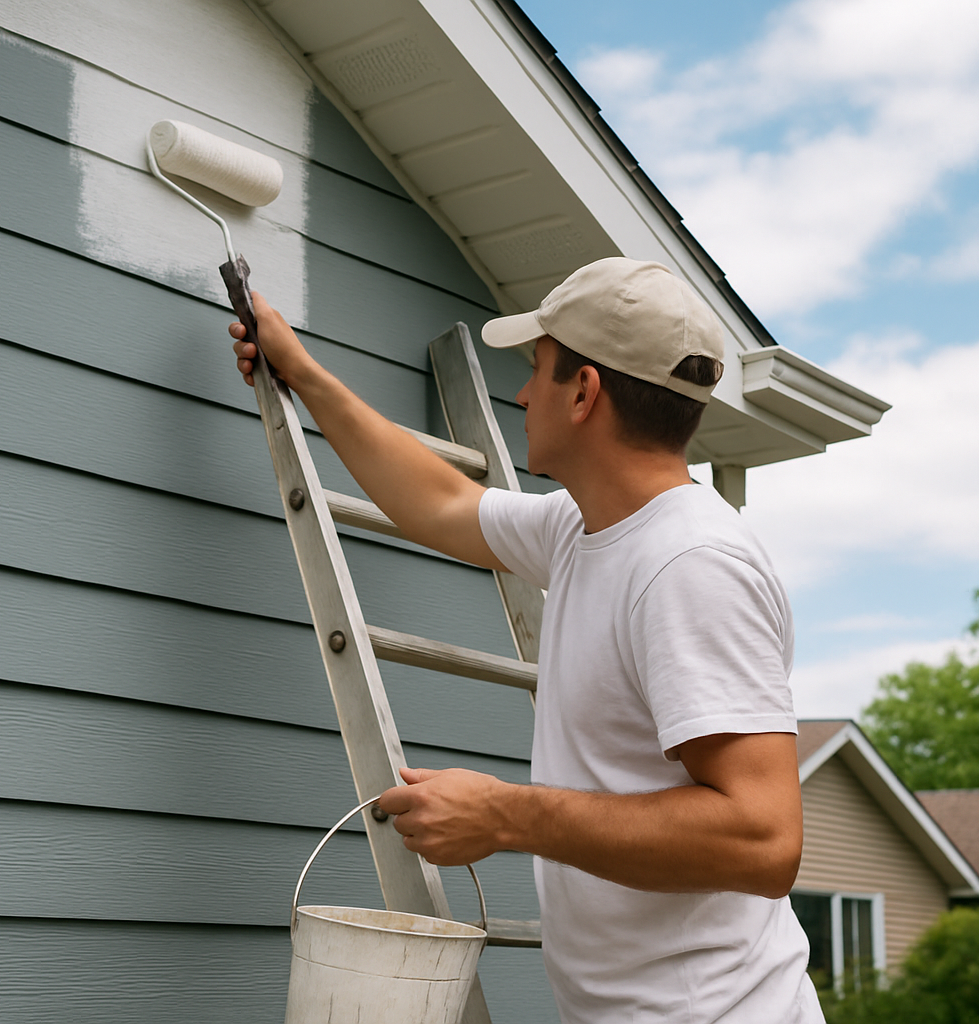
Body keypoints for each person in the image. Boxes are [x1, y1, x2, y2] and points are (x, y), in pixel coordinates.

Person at [228, 257, 823, 1023]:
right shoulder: (585, 527)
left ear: (584, 393)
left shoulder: (690, 565)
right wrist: (302, 372)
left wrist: (508, 815)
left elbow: (764, 839)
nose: (520, 393)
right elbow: (443, 501)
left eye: (537, 371)